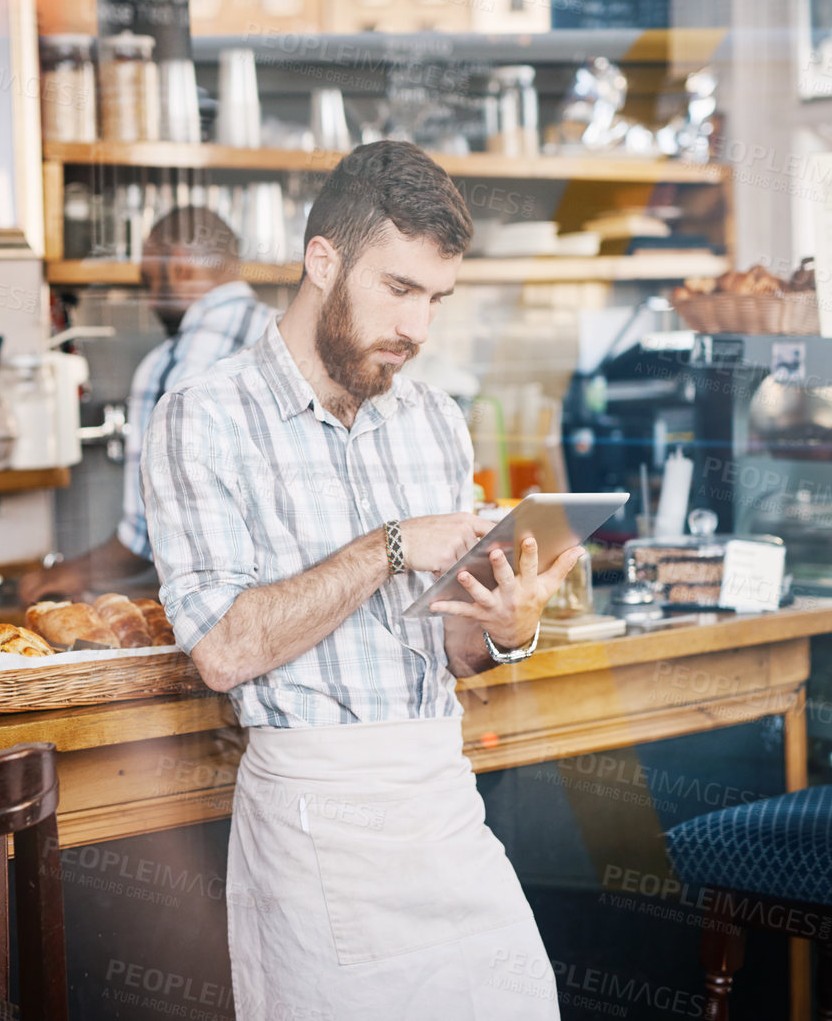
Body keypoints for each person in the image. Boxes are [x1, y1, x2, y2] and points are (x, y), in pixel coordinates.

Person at [141, 142, 582, 1019]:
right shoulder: (201, 418)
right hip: (315, 819)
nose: (417, 328)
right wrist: (386, 545)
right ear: (322, 260)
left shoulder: (432, 420)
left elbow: (454, 646)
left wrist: (503, 624)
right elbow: (225, 651)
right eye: (398, 289)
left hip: (443, 800)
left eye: (436, 299)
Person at [18, 207, 276, 604]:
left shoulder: (171, 368)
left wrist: (74, 573)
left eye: (148, 280)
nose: (151, 300)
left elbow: (148, 536)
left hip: (230, 616)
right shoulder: (290, 336)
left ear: (178, 267)